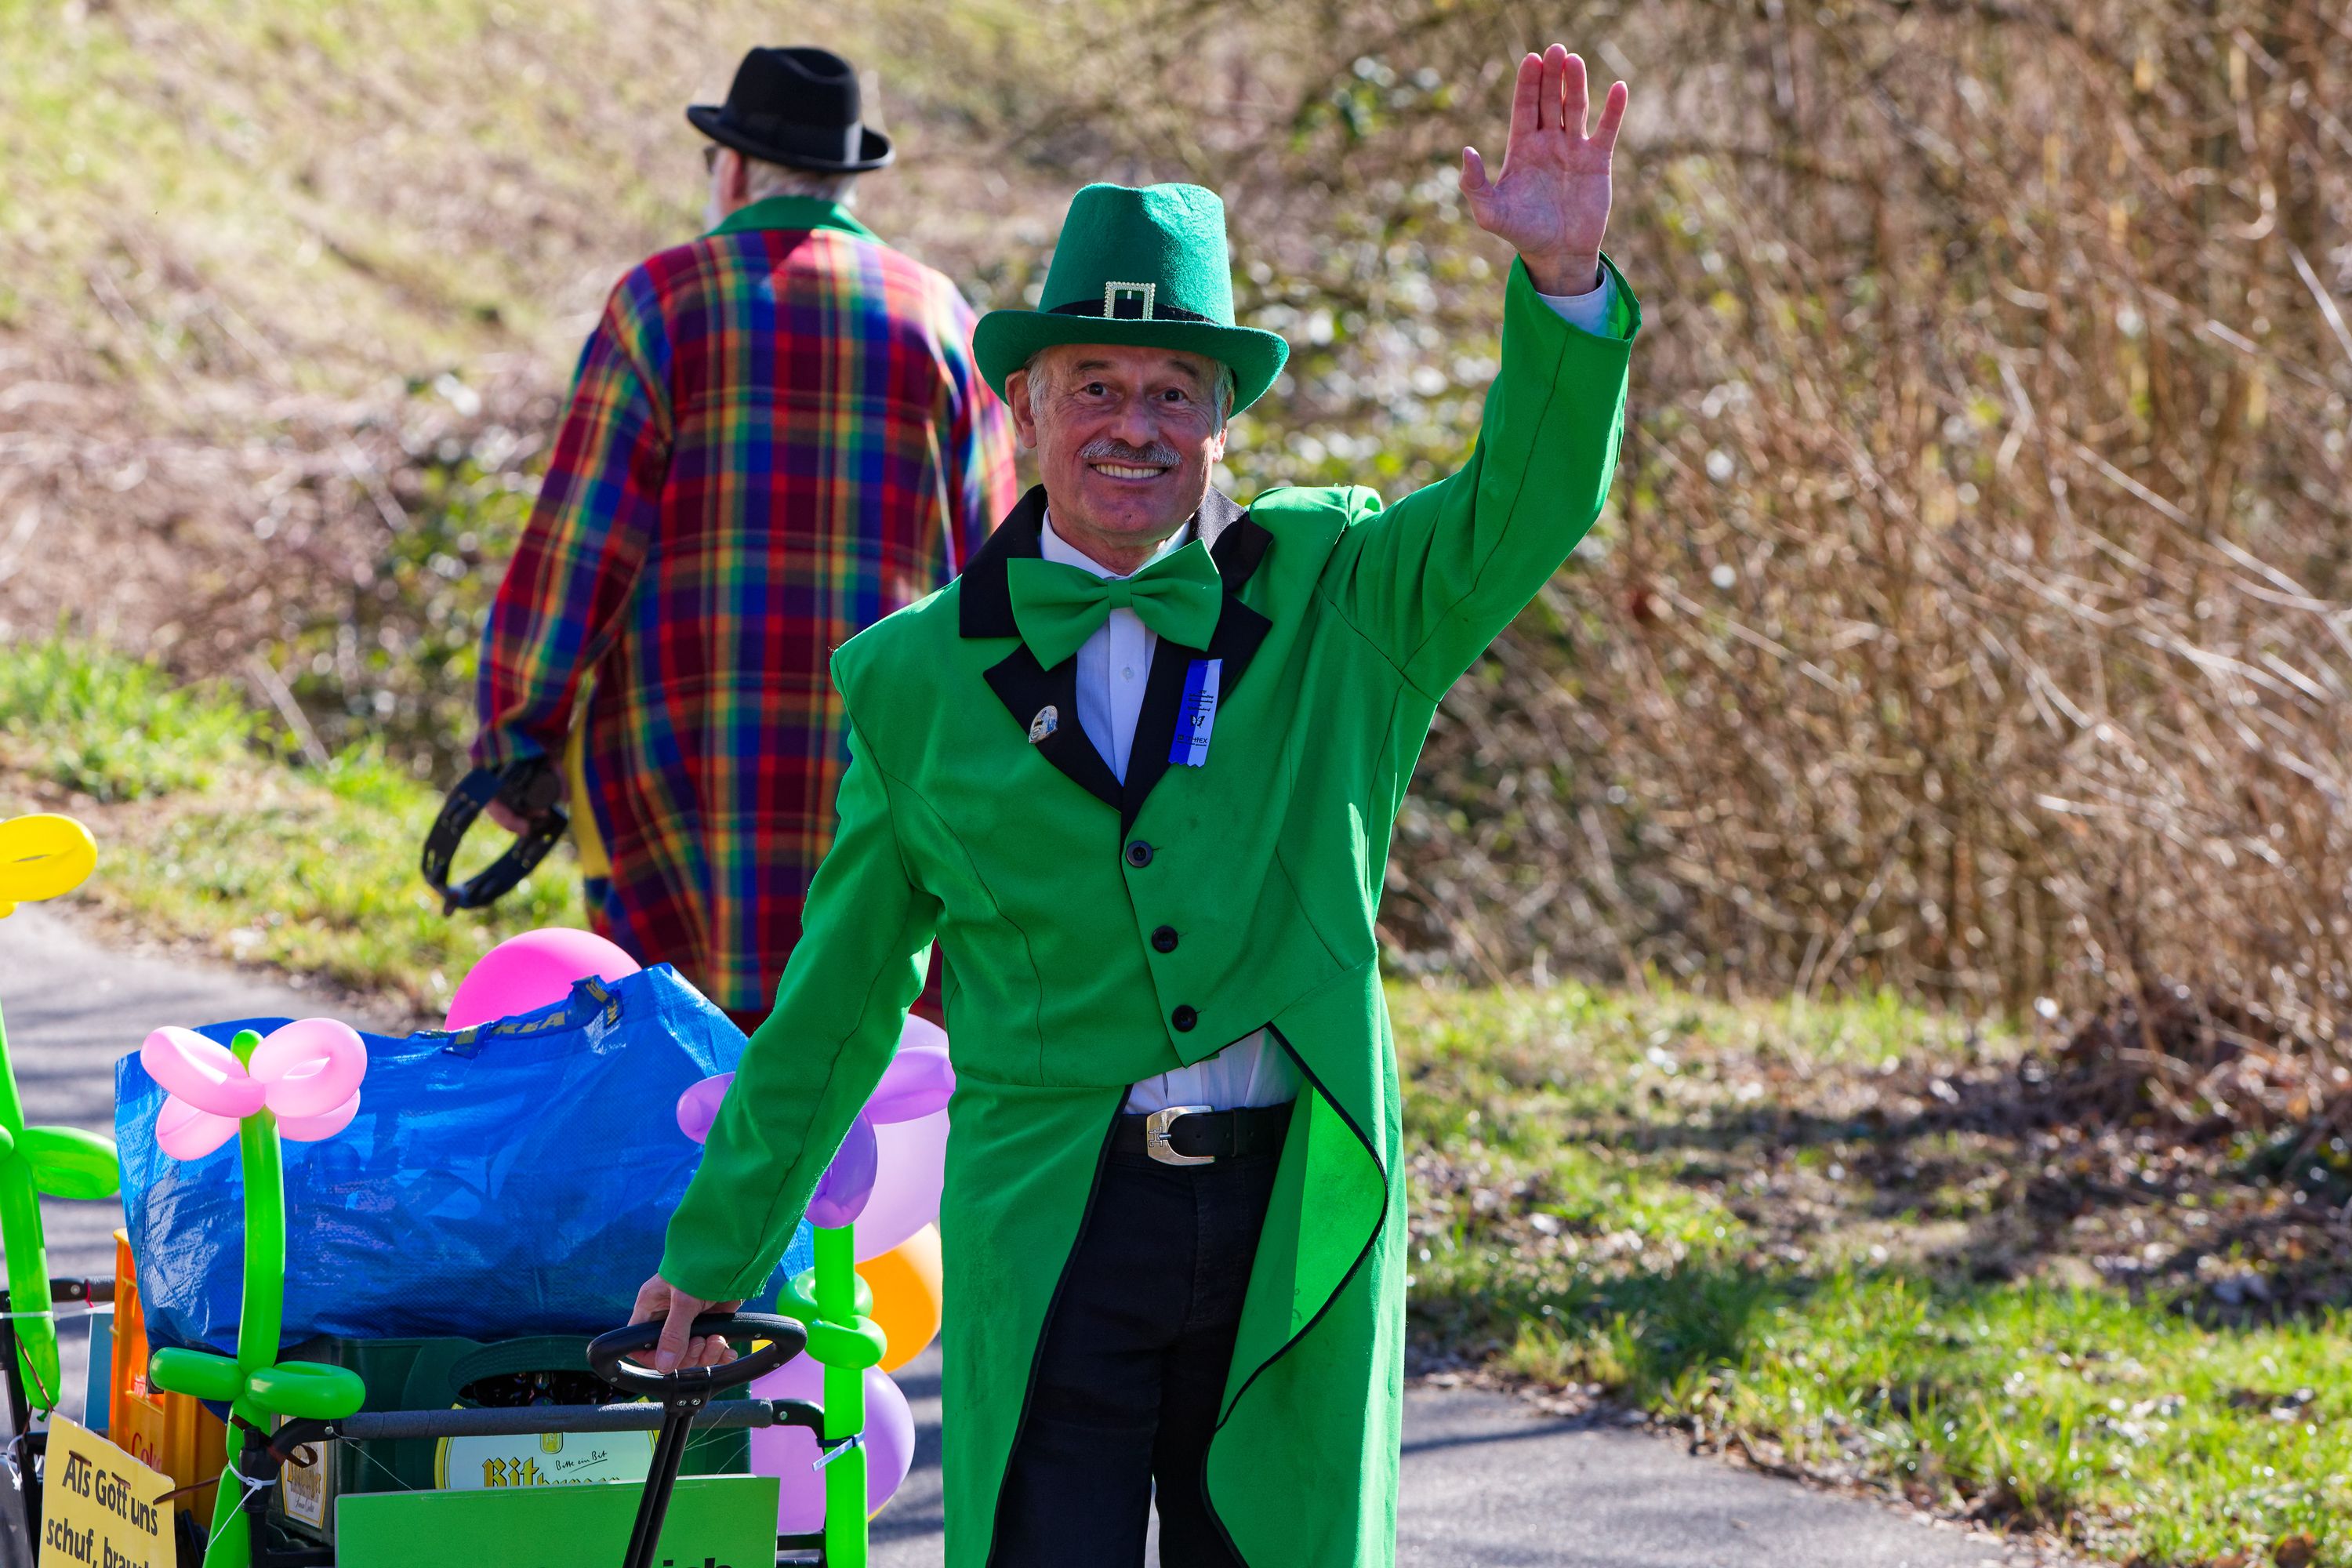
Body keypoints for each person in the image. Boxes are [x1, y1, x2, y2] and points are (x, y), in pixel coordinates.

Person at [637, 45, 1639, 1567]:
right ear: (1025, 408)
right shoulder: (911, 680)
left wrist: (1562, 282)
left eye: (1174, 391)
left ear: (1222, 420)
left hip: (1287, 1208)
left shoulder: (1338, 594)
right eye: (1094, 387)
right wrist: (714, 1256)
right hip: (1054, 1224)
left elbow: (1528, 504)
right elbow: (839, 1005)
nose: (1133, 424)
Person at [470, 46, 1017, 1029]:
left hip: (685, 774)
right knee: (869, 1059)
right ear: (846, 180)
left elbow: (579, 550)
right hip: (885, 769)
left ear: (730, 170)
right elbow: (997, 577)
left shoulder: (664, 302)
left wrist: (518, 734)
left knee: (692, 1059)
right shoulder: (942, 320)